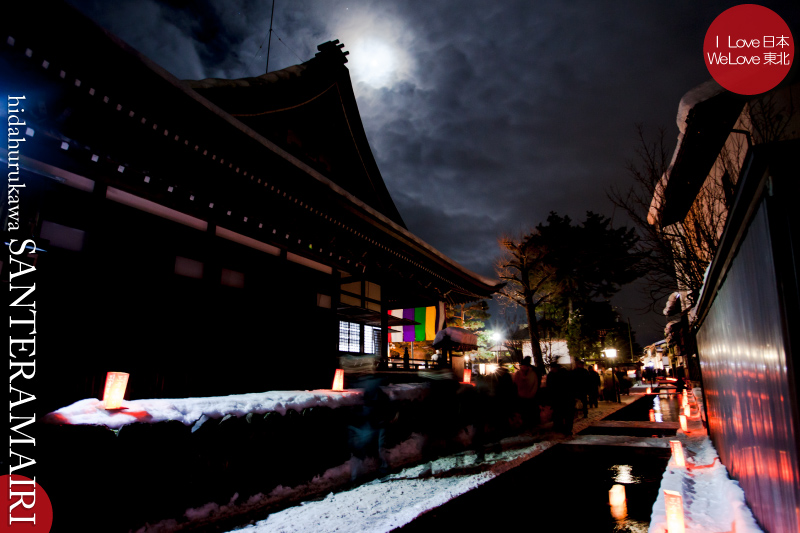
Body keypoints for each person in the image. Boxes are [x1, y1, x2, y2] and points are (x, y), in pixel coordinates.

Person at [547, 364, 575, 435]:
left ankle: (562, 429)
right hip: (565, 398)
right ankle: (566, 429)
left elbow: (550, 388)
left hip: (560, 398)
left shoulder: (552, 376)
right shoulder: (566, 374)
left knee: (560, 415)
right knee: (566, 415)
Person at [513, 356, 540, 428]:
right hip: (521, 397)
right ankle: (525, 425)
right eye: (522, 366)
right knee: (524, 413)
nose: (523, 367)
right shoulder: (518, 374)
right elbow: (515, 384)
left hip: (530, 397)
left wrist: (532, 393)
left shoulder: (532, 374)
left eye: (525, 366)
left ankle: (530, 425)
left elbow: (535, 384)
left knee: (529, 413)